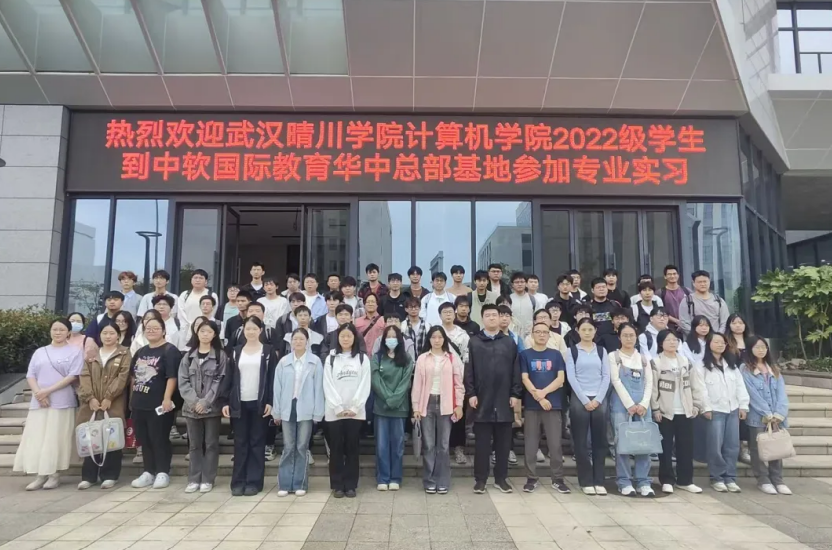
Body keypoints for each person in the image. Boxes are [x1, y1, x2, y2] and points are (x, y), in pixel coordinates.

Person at [14, 319, 84, 490]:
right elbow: (30, 375)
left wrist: (47, 391)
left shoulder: (75, 351)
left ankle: (54, 474)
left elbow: (73, 375)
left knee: (56, 438)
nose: (58, 332)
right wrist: (39, 393)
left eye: (62, 329)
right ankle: (40, 475)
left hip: (61, 401)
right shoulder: (40, 352)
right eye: (55, 329)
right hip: (39, 402)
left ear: (69, 332)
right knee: (38, 437)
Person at [465, 303, 522, 494]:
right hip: (482, 400)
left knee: (503, 445)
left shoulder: (509, 342)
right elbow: (469, 370)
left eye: (494, 315)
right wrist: (471, 393)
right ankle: (480, 480)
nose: (491, 318)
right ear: (482, 318)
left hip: (504, 400)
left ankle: (501, 479)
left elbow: (516, 370)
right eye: (488, 315)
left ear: (500, 318)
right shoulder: (474, 342)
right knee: (482, 445)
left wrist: (515, 394)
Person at [221, 316, 276, 496]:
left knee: (257, 443)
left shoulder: (268, 351)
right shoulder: (236, 351)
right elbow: (229, 378)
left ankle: (254, 482)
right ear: (243, 331)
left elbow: (272, 379)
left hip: (259, 403)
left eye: (254, 329)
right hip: (239, 403)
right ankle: (238, 482)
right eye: (248, 329)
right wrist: (225, 401)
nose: (251, 332)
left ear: (260, 330)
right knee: (240, 443)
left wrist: (271, 402)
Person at [76, 323, 131, 490]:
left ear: (118, 335)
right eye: (104, 333)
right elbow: (84, 376)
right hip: (91, 404)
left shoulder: (124, 353)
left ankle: (110, 475)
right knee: (91, 437)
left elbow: (123, 377)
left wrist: (109, 397)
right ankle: (89, 476)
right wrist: (90, 398)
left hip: (113, 403)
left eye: (111, 333)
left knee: (111, 437)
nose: (108, 336)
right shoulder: (92, 354)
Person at [130, 316, 181, 489]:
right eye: (148, 328)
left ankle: (162, 471)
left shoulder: (170, 351)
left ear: (164, 330)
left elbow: (172, 377)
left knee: (159, 438)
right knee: (144, 439)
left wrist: (167, 398)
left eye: (155, 328)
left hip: (159, 404)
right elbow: (133, 376)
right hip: (140, 402)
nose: (151, 331)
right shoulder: (141, 351)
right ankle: (148, 471)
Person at [651, 329, 705, 494]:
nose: (672, 342)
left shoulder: (686, 362)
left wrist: (697, 405)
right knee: (665, 447)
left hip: (685, 410)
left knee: (685, 447)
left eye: (675, 340)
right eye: (668, 340)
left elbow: (696, 385)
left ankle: (685, 480)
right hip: (665, 412)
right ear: (661, 343)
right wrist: (655, 408)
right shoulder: (656, 362)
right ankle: (667, 480)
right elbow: (653, 388)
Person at [273, 328, 325, 497]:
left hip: (306, 408)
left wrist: (318, 412)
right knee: (288, 446)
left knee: (302, 446)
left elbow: (319, 388)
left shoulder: (315, 362)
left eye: (301, 339)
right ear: (291, 342)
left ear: (307, 342)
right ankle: (285, 483)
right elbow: (277, 388)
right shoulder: (284, 362)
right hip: (287, 407)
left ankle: (300, 483)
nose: (298, 342)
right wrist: (276, 411)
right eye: (295, 339)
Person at [413, 326, 464, 494]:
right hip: (426, 404)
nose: (437, 340)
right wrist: (415, 407)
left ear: (444, 339)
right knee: (428, 445)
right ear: (429, 339)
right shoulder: (422, 358)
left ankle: (442, 480)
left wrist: (459, 405)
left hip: (446, 404)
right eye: (433, 337)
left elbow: (458, 383)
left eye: (440, 337)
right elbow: (417, 384)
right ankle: (429, 480)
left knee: (443, 445)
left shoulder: (451, 358)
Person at [179, 319, 227, 494]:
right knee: (194, 445)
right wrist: (194, 402)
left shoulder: (220, 356)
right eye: (202, 331)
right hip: (191, 409)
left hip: (211, 409)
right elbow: (183, 381)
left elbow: (220, 380)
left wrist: (205, 402)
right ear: (197, 333)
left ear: (214, 335)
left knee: (211, 444)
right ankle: (194, 479)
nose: (205, 334)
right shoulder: (188, 356)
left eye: (209, 332)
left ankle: (208, 479)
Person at [323, 324, 372, 498]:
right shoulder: (331, 358)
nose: (345, 339)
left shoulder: (362, 358)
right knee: (336, 448)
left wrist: (354, 407)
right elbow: (327, 384)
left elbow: (365, 384)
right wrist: (337, 406)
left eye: (348, 336)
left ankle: (351, 485)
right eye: (342, 336)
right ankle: (337, 485)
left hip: (355, 413)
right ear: (337, 338)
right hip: (334, 412)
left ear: (354, 338)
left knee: (352, 448)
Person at [697, 333, 749, 493]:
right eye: (716, 342)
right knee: (715, 446)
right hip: (715, 411)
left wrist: (743, 406)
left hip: (732, 410)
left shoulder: (731, 365)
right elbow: (700, 389)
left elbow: (740, 386)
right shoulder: (702, 366)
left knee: (732, 446)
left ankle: (730, 478)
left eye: (723, 342)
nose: (720, 345)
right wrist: (705, 408)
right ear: (709, 344)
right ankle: (717, 477)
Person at [520, 322, 568, 494]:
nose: (541, 335)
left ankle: (558, 479)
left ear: (549, 335)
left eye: (545, 332)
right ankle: (531, 478)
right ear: (532, 334)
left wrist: (543, 393)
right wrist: (539, 397)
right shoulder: (525, 355)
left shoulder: (556, 355)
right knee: (530, 444)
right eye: (538, 332)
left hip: (553, 405)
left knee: (555, 444)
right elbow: (524, 378)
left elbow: (560, 379)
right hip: (532, 406)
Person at [741, 336, 792, 495]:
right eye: (757, 347)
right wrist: (767, 413)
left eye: (763, 347)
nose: (761, 350)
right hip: (758, 417)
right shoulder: (745, 369)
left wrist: (779, 413)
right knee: (758, 449)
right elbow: (752, 394)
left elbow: (782, 393)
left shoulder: (773, 368)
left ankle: (778, 479)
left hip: (777, 417)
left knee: (776, 446)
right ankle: (763, 480)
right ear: (750, 349)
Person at [565, 318, 610, 495]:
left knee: (600, 441)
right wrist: (585, 400)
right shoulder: (572, 351)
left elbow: (606, 376)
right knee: (581, 442)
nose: (587, 333)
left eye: (590, 329)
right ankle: (586, 481)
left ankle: (599, 480)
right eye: (583, 329)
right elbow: (571, 377)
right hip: (579, 398)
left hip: (599, 398)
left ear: (595, 331)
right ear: (578, 331)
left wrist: (598, 399)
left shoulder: (601, 351)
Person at [608, 323, 654, 496]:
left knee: (644, 443)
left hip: (643, 406)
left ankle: (643, 481)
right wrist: (629, 405)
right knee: (622, 443)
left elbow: (649, 382)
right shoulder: (613, 357)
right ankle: (624, 481)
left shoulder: (643, 359)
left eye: (632, 335)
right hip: (621, 406)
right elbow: (615, 381)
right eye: (625, 335)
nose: (628, 338)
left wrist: (643, 404)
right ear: (619, 337)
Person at [372, 326, 415, 491]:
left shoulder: (406, 358)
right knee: (381, 445)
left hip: (399, 408)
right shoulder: (377, 358)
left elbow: (405, 383)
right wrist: (388, 398)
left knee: (397, 445)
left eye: (394, 336)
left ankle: (395, 478)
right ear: (383, 339)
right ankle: (383, 478)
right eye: (388, 336)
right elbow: (375, 380)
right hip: (381, 408)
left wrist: (394, 399)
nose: (391, 339)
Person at [678, 270, 730, 335]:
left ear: (709, 282)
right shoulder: (687, 301)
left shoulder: (719, 301)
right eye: (699, 282)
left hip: (715, 338)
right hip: (694, 339)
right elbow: (683, 323)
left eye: (705, 281)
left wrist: (717, 336)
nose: (702, 284)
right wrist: (697, 336)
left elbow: (725, 322)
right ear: (693, 283)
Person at [589, 278, 620, 352]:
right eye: (598, 287)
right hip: (594, 341)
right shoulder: (588, 306)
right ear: (592, 290)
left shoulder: (615, 305)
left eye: (603, 287)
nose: (601, 289)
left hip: (612, 342)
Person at [658, 265, 690, 332]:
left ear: (678, 275)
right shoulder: (660, 292)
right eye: (669, 274)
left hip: (687, 326)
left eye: (674, 274)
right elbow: (660, 310)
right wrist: (676, 321)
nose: (672, 276)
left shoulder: (687, 291)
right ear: (665, 276)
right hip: (668, 327)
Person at [509, 272, 539, 339]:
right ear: (512, 284)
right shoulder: (508, 299)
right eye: (517, 282)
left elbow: (537, 318)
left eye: (522, 282)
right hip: (512, 335)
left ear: (526, 284)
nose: (519, 284)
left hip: (529, 335)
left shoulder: (532, 299)